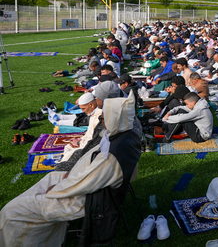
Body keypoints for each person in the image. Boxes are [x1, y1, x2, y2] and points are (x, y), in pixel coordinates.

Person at [0, 94, 141, 247]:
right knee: (41, 185)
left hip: (82, 198)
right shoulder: (123, 135)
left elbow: (87, 183)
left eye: (103, 118)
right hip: (80, 183)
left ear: (114, 118)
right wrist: (72, 173)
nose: (101, 122)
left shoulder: (113, 155)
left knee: (12, 212)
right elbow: (91, 170)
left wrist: (57, 189)